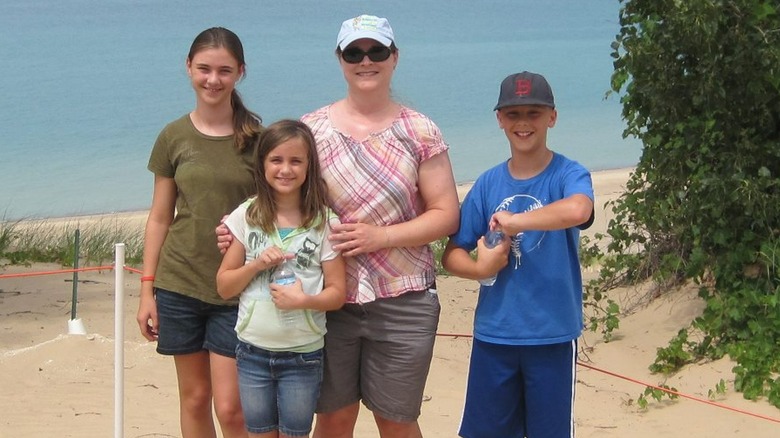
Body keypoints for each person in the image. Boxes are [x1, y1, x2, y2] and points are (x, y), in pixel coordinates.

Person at [216, 14, 460, 438]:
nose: (366, 61)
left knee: (397, 420)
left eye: (377, 51)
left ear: (394, 57)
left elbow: (445, 213)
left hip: (403, 298)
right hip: (329, 303)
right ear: (340, 59)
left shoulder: (419, 129)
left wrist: (381, 236)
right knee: (333, 419)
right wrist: (237, 230)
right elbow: (281, 194)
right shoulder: (313, 129)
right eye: (354, 52)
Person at [441, 71, 595, 438]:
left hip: (552, 335)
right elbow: (451, 255)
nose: (523, 123)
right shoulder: (488, 183)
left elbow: (578, 211)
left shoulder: (567, 174)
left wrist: (515, 221)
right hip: (495, 335)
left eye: (533, 113)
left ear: (552, 117)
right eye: (513, 114)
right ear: (499, 120)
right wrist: (481, 268)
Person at [137, 27, 262, 438]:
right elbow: (159, 217)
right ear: (188, 67)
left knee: (232, 410)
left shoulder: (257, 141)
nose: (213, 79)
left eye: (224, 70)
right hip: (179, 283)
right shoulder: (173, 136)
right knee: (193, 400)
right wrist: (147, 290)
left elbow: (277, 214)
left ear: (240, 73)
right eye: (204, 69)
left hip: (236, 288)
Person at [216, 119, 347, 438]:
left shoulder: (325, 223)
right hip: (252, 351)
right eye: (276, 160)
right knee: (258, 432)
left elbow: (338, 293)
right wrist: (256, 265)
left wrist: (305, 300)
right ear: (262, 165)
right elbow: (224, 286)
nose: (285, 169)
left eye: (295, 161)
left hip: (303, 354)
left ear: (308, 166)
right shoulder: (246, 216)